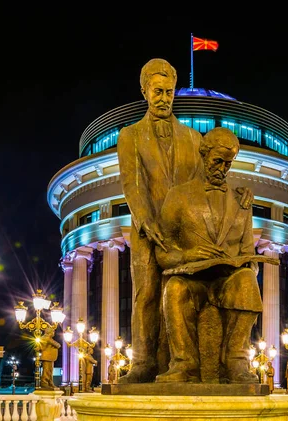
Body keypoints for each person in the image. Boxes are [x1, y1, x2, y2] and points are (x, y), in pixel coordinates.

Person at [116, 58, 204, 383]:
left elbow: (202, 185)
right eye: (158, 91)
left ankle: (176, 364)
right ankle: (142, 363)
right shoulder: (130, 135)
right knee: (146, 294)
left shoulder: (194, 139)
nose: (164, 97)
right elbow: (131, 182)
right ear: (145, 92)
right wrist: (144, 219)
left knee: (178, 296)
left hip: (182, 232)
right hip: (146, 230)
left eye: (169, 91)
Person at [155, 127, 266, 384]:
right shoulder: (178, 196)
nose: (223, 169)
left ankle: (236, 361)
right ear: (203, 154)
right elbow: (162, 252)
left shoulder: (242, 201)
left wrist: (244, 263)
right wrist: (187, 255)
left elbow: (248, 251)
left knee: (248, 280)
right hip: (192, 279)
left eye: (229, 164)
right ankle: (184, 365)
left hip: (226, 279)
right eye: (218, 161)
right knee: (174, 289)